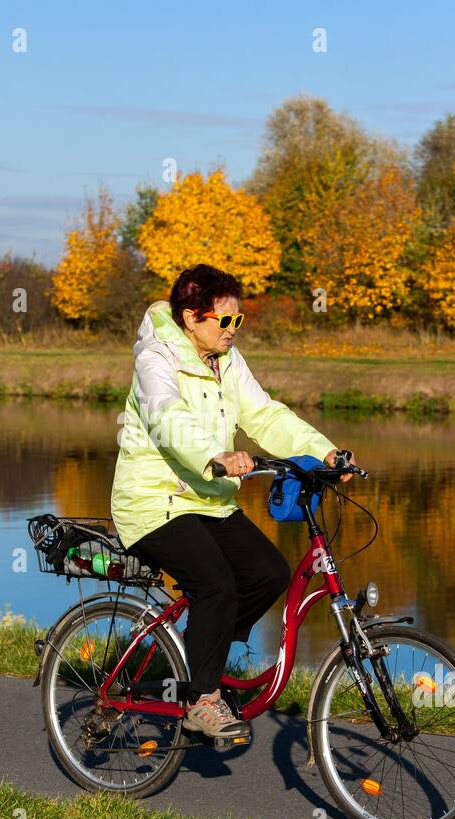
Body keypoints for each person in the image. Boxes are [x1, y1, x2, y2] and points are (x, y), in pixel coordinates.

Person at [110, 263, 356, 738]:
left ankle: (202, 655)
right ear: (190, 317)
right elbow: (167, 416)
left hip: (207, 501)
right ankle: (203, 699)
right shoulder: (155, 359)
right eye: (223, 321)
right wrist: (215, 456)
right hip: (151, 501)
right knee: (217, 584)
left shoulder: (227, 361)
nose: (232, 330)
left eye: (237, 321)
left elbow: (264, 415)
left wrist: (324, 451)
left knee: (268, 573)